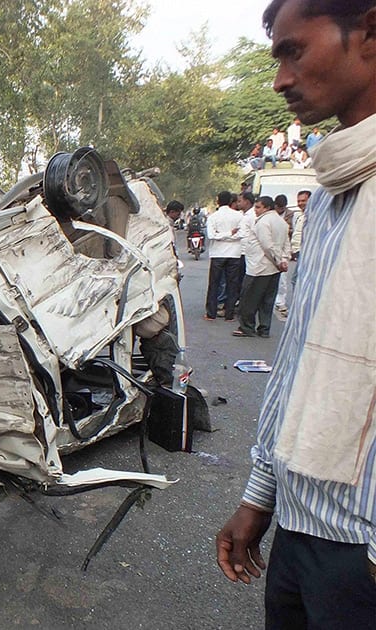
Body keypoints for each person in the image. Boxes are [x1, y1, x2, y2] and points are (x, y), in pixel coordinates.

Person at [216, 2, 376, 626]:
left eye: (293, 51)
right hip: (303, 531)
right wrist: (261, 497)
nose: (280, 79)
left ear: (367, 31)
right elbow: (298, 361)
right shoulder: (340, 192)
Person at [233, 195, 290, 338]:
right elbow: (285, 244)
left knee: (248, 300)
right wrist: (283, 260)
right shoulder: (281, 222)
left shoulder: (263, 222)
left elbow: (267, 245)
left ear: (267, 208)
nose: (256, 210)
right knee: (267, 301)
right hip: (273, 269)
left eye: (258, 207)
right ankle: (264, 329)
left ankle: (247, 327)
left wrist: (278, 260)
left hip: (259, 268)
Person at [204, 192, 244, 321]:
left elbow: (211, 235)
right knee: (232, 285)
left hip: (218, 253)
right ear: (231, 201)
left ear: (217, 201)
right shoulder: (239, 216)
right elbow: (241, 234)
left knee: (214, 283)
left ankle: (211, 313)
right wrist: (231, 234)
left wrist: (222, 235)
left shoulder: (213, 217)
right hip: (234, 254)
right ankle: (229, 314)